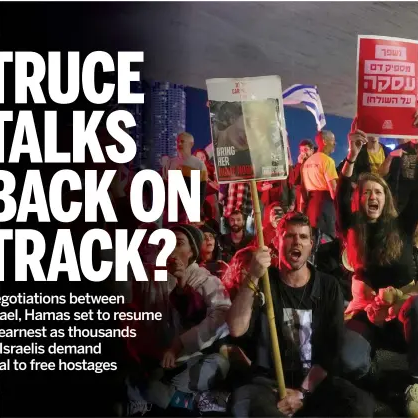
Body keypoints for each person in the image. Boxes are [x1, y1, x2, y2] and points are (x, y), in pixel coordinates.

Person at [339, 102, 418, 418]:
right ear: (359, 199)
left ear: (386, 198)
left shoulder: (403, 224)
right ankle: (379, 384)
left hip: (404, 308)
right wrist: (352, 155)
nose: (373, 197)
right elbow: (340, 193)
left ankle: (415, 382)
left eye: (378, 192)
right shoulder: (352, 227)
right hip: (366, 311)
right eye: (366, 192)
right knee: (346, 358)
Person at [227, 212, 374, 417]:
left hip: (313, 382)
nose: (297, 242)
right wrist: (252, 276)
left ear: (311, 244)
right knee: (242, 404)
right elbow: (236, 328)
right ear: (277, 243)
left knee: (360, 405)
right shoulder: (264, 281)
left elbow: (331, 349)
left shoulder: (327, 286)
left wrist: (302, 394)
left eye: (303, 237)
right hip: (269, 384)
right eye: (289, 236)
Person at [126, 224, 232, 412]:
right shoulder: (147, 275)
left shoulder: (204, 279)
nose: (170, 249)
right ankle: (180, 399)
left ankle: (164, 396)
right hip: (153, 361)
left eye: (178, 243)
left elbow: (222, 315)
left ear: (192, 251)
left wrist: (182, 343)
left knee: (219, 364)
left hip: (188, 361)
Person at [162, 132, 208, 222]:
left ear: (191, 144)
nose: (179, 144)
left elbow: (201, 192)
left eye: (182, 141)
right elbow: (165, 187)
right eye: (177, 142)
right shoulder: (170, 163)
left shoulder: (199, 165)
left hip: (188, 215)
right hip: (170, 213)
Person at [301, 130, 338, 241]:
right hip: (326, 208)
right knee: (328, 243)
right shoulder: (327, 161)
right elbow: (334, 191)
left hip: (311, 208)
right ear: (324, 142)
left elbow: (303, 192)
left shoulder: (307, 162)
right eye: (333, 141)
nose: (334, 144)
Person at [290, 140, 315, 212]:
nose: (303, 152)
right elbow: (294, 181)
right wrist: (299, 164)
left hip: (312, 196)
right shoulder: (299, 164)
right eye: (301, 150)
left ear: (312, 150)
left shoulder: (316, 162)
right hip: (301, 197)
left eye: (305, 150)